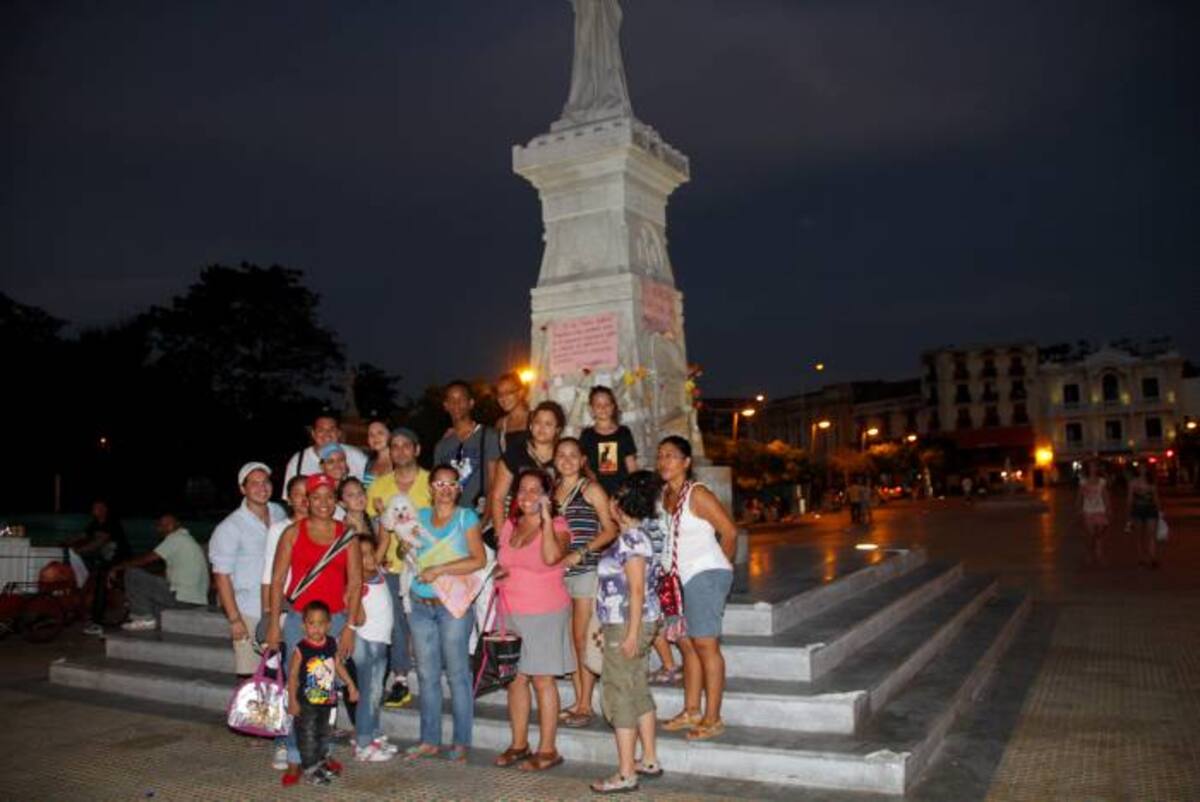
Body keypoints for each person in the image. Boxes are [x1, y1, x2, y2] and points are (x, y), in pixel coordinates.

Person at [266, 473, 363, 785]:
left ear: (335, 500)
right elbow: (278, 580)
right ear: (306, 500)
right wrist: (273, 624)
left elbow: (356, 581)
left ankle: (320, 752)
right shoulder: (293, 532)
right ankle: (295, 756)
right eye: (315, 497)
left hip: (334, 620)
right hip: (299, 622)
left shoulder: (346, 534)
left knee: (327, 692)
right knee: (297, 690)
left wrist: (348, 626)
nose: (323, 503)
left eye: (328, 496)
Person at [404, 464, 488, 762]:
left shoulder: (467, 517)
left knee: (457, 674)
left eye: (451, 484)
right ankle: (429, 739)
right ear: (430, 488)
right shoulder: (420, 516)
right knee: (426, 674)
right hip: (420, 604)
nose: (445, 490)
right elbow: (410, 552)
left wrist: (440, 569)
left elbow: (478, 560)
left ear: (459, 488)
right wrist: (405, 548)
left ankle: (461, 742)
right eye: (439, 484)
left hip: (452, 607)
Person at [657, 436, 738, 742]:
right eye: (661, 456)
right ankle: (691, 709)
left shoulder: (697, 494)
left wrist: (722, 570)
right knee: (687, 645)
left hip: (704, 574)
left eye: (671, 456)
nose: (664, 461)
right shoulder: (667, 495)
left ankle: (713, 717)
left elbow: (729, 531)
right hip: (680, 578)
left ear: (686, 462)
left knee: (706, 645)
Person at [492, 469, 573, 773]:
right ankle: (519, 743)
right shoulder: (510, 526)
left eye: (534, 490)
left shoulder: (560, 526)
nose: (527, 496)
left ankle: (548, 749)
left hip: (545, 612)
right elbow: (503, 562)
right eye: (522, 490)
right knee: (516, 680)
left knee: (542, 679)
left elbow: (552, 558)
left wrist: (548, 519)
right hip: (510, 611)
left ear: (547, 495)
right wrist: (499, 574)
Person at [589, 470, 665, 794]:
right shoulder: (634, 536)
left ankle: (625, 773)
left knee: (619, 694)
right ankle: (647, 759)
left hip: (630, 622)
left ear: (620, 504)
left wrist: (629, 634)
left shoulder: (633, 539)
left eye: (613, 497)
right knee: (637, 689)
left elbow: (635, 590)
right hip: (627, 622)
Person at [553, 438, 617, 728]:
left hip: (585, 571)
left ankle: (585, 704)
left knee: (580, 639)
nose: (566, 460)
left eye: (572, 455)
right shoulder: (551, 493)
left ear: (581, 461)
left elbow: (611, 529)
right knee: (570, 639)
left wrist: (581, 551)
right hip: (557, 576)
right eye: (561, 455)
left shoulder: (590, 489)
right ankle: (580, 699)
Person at [365, 426, 430, 708]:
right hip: (393, 565)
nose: (401, 450)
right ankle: (400, 680)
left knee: (424, 622)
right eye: (395, 446)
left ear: (417, 449)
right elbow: (379, 528)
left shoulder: (431, 482)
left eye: (407, 445)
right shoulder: (379, 486)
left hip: (428, 565)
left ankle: (430, 676)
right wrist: (379, 556)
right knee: (397, 625)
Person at [209, 462, 288, 682]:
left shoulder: (279, 512)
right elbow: (221, 576)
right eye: (254, 483)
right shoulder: (230, 527)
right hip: (249, 610)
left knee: (278, 673)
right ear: (242, 489)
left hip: (280, 608)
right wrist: (235, 619)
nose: (262, 487)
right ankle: (249, 717)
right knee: (249, 676)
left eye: (265, 482)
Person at [286, 600, 359, 786]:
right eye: (311, 624)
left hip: (329, 701)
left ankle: (320, 762)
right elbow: (293, 676)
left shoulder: (331, 644)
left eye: (321, 624)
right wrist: (292, 701)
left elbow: (338, 665)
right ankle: (310, 769)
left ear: (328, 625)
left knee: (325, 733)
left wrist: (350, 684)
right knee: (308, 735)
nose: (316, 629)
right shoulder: (301, 649)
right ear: (304, 626)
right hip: (307, 703)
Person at [109, 513, 209, 630]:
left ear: (177, 525)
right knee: (147, 593)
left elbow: (147, 559)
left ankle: (143, 618)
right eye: (163, 525)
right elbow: (165, 576)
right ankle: (150, 620)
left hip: (183, 599)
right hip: (194, 601)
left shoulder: (176, 538)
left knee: (133, 574)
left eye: (169, 524)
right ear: (159, 528)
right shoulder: (187, 540)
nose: (166, 527)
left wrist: (117, 567)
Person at [350, 534, 398, 763]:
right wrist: (356, 595)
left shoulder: (377, 573)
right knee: (368, 693)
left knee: (375, 691)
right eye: (361, 556)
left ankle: (373, 734)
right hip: (367, 643)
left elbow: (385, 540)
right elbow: (357, 619)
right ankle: (363, 742)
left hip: (380, 642)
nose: (368, 558)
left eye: (370, 553)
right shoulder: (357, 583)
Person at [489, 401, 565, 535]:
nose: (541, 427)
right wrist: (501, 535)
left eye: (548, 424)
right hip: (518, 525)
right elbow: (498, 497)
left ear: (558, 429)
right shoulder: (515, 454)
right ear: (530, 426)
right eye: (537, 422)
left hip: (554, 526)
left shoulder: (564, 457)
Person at [433, 381, 501, 515]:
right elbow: (437, 487)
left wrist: (486, 519)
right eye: (451, 400)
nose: (456, 404)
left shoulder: (489, 435)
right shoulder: (442, 446)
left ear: (471, 403)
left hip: (480, 515)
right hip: (451, 518)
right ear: (445, 406)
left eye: (461, 399)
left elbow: (495, 484)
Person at [67, 499, 132, 636]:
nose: (93, 510)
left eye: (96, 507)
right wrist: (67, 542)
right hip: (104, 557)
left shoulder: (111, 523)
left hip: (118, 558)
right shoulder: (95, 523)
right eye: (93, 507)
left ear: (104, 509)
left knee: (101, 582)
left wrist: (81, 550)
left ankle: (96, 620)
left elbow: (98, 542)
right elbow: (83, 535)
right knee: (90, 573)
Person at [579, 386, 639, 497]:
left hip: (622, 491)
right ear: (591, 409)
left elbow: (631, 464)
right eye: (598, 405)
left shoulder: (624, 432)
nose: (603, 408)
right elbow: (583, 464)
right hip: (596, 492)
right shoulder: (587, 435)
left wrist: (633, 488)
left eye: (607, 404)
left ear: (613, 407)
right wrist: (591, 481)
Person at [282, 413, 367, 490]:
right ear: (313, 434)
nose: (327, 434)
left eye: (332, 429)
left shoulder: (357, 456)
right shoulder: (298, 461)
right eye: (321, 430)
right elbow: (288, 498)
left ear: (339, 433)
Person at [1127, 462, 1162, 569]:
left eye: (1144, 468)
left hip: (1151, 509)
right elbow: (1130, 498)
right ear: (1137, 470)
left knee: (1151, 534)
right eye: (1140, 468)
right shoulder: (1133, 482)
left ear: (1147, 469)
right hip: (1137, 509)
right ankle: (1141, 557)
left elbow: (1156, 497)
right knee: (1139, 535)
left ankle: (1152, 557)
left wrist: (1160, 510)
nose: (1142, 470)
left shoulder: (1151, 482)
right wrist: (1128, 513)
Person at [1077, 461, 1112, 566]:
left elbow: (1105, 495)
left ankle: (1099, 555)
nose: (1093, 469)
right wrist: (1078, 508)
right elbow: (1079, 496)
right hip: (1088, 510)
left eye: (1095, 466)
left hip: (1100, 510)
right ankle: (1089, 553)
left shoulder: (1102, 481)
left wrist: (1108, 508)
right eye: (1091, 467)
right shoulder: (1083, 481)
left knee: (1099, 535)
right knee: (1091, 535)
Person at [494, 372, 531, 453]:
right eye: (500, 394)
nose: (503, 398)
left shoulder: (534, 418)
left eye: (508, 392)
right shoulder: (500, 424)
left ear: (521, 393)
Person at [362, 419, 393, 491]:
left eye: (380, 433)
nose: (375, 437)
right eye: (371, 434)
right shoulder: (369, 464)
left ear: (391, 435)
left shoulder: (400, 462)